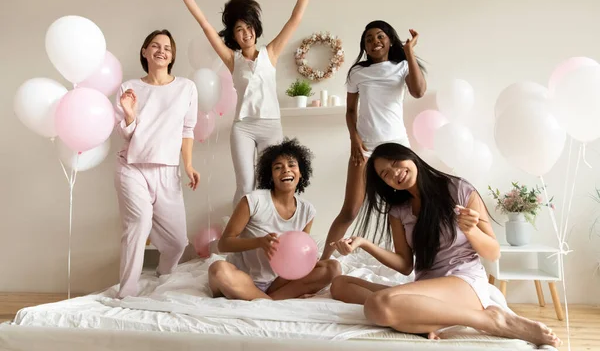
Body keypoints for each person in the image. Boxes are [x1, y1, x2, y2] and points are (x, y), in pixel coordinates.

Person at [329, 143, 560, 348]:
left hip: (463, 282)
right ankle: (420, 317)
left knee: (377, 305)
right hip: (426, 287)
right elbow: (405, 265)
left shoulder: (458, 189)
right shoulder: (398, 211)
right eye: (385, 174)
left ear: (410, 156)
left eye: (396, 163)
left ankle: (490, 320)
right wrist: (364, 243)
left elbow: (493, 252)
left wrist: (470, 230)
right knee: (340, 284)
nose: (395, 173)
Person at [176, 0, 313, 208]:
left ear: (255, 29)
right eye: (240, 29)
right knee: (246, 184)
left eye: (249, 27)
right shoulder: (232, 59)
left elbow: (295, 19)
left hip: (271, 126)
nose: (246, 33)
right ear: (234, 36)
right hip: (243, 128)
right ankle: (241, 240)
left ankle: (267, 233)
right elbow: (206, 26)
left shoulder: (270, 53)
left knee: (270, 184)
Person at [320, 20, 427, 261]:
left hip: (398, 149)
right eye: (369, 39)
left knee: (417, 206)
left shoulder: (402, 67)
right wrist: (354, 140)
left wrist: (409, 53)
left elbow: (418, 91)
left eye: (380, 36)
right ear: (364, 46)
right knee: (349, 211)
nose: (375, 42)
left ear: (390, 40)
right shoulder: (358, 72)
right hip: (365, 149)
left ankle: (425, 260)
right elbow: (350, 112)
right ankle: (322, 262)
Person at [114, 29, 199, 298]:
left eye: (167, 47)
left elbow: (187, 130)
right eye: (155, 45)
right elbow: (126, 133)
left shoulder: (186, 87)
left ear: (172, 56)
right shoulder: (129, 87)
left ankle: (163, 276)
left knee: (177, 242)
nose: (161, 50)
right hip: (132, 167)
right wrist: (129, 115)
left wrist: (188, 165)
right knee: (138, 223)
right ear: (144, 51)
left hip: (167, 171)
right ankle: (127, 293)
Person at [208, 138, 341, 300]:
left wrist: (310, 260)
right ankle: (270, 301)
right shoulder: (253, 201)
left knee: (332, 268)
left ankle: (262, 298)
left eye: (292, 165)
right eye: (278, 167)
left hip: (278, 282)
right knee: (218, 270)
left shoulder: (307, 210)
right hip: (243, 277)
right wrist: (259, 242)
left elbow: (301, 252)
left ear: (301, 172)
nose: (286, 170)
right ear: (270, 176)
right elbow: (224, 244)